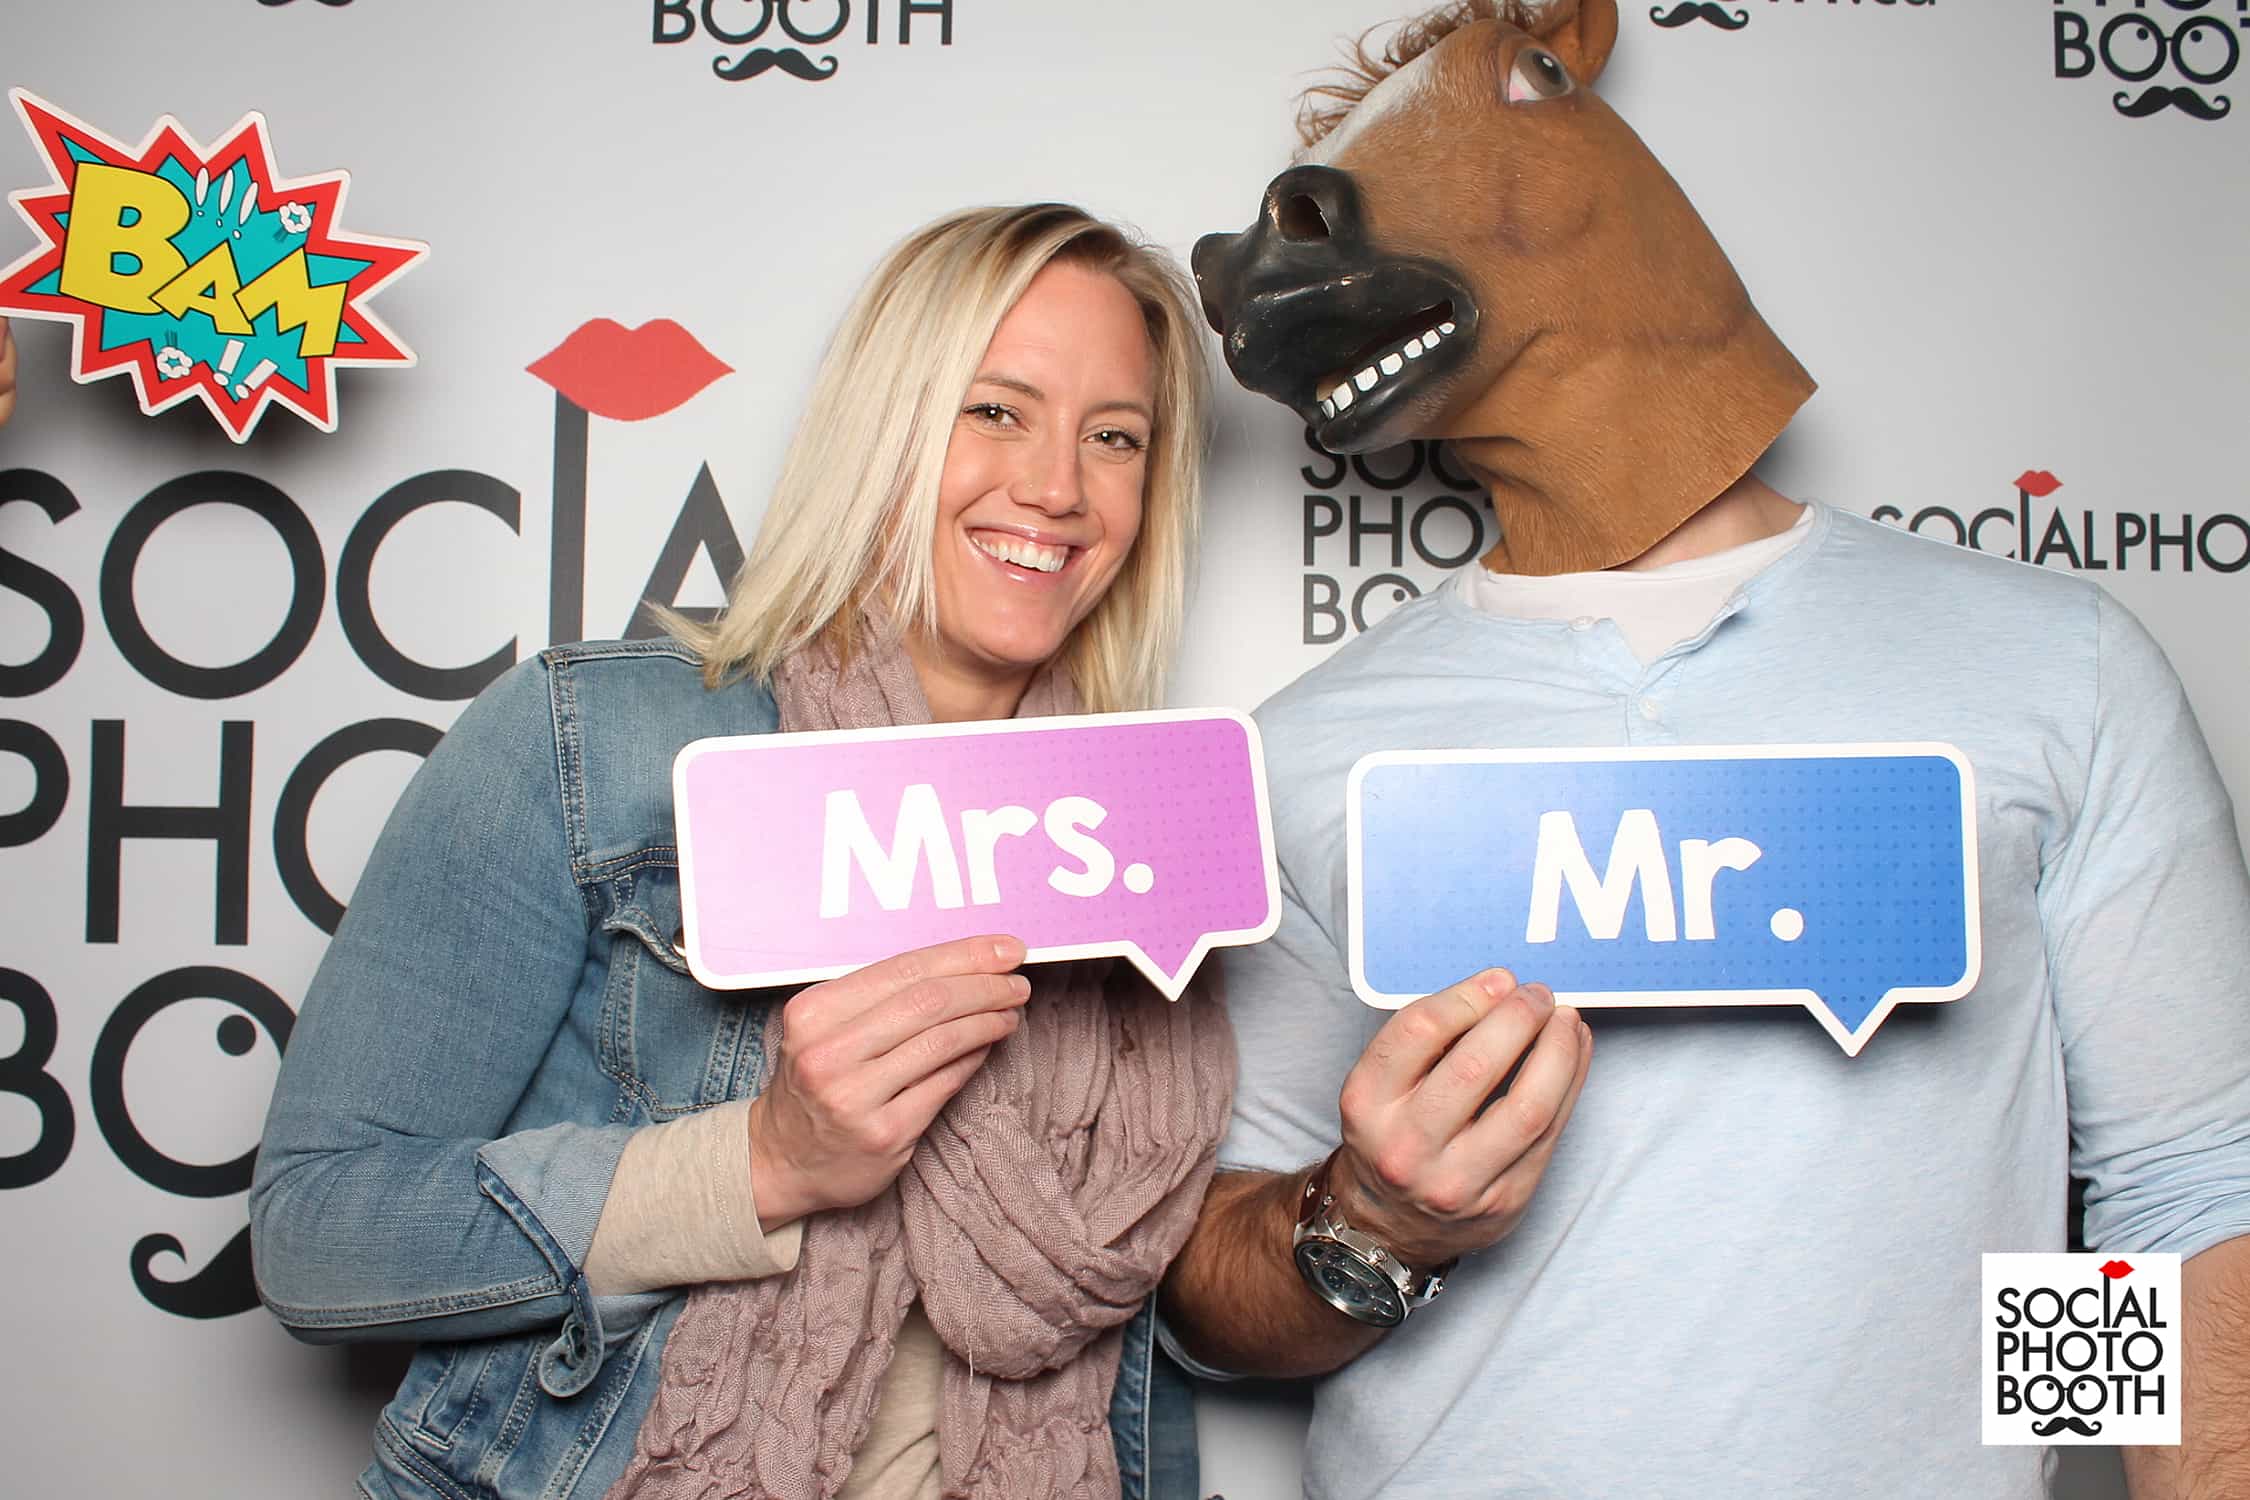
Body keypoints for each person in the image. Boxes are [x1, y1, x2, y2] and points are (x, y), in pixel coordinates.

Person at [1160, 3, 2250, 1497]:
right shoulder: (1306, 751)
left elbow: (2180, 1198)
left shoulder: (2055, 670)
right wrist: (1373, 1227)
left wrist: (1994, 1437)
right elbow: (1206, 1298)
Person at [251, 203, 1232, 1500]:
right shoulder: (594, 744)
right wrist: (764, 1163)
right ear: (884, 426)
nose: (1057, 486)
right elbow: (317, 1234)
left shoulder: (1159, 827)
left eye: (1114, 437)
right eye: (995, 410)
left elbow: (1135, 1332)